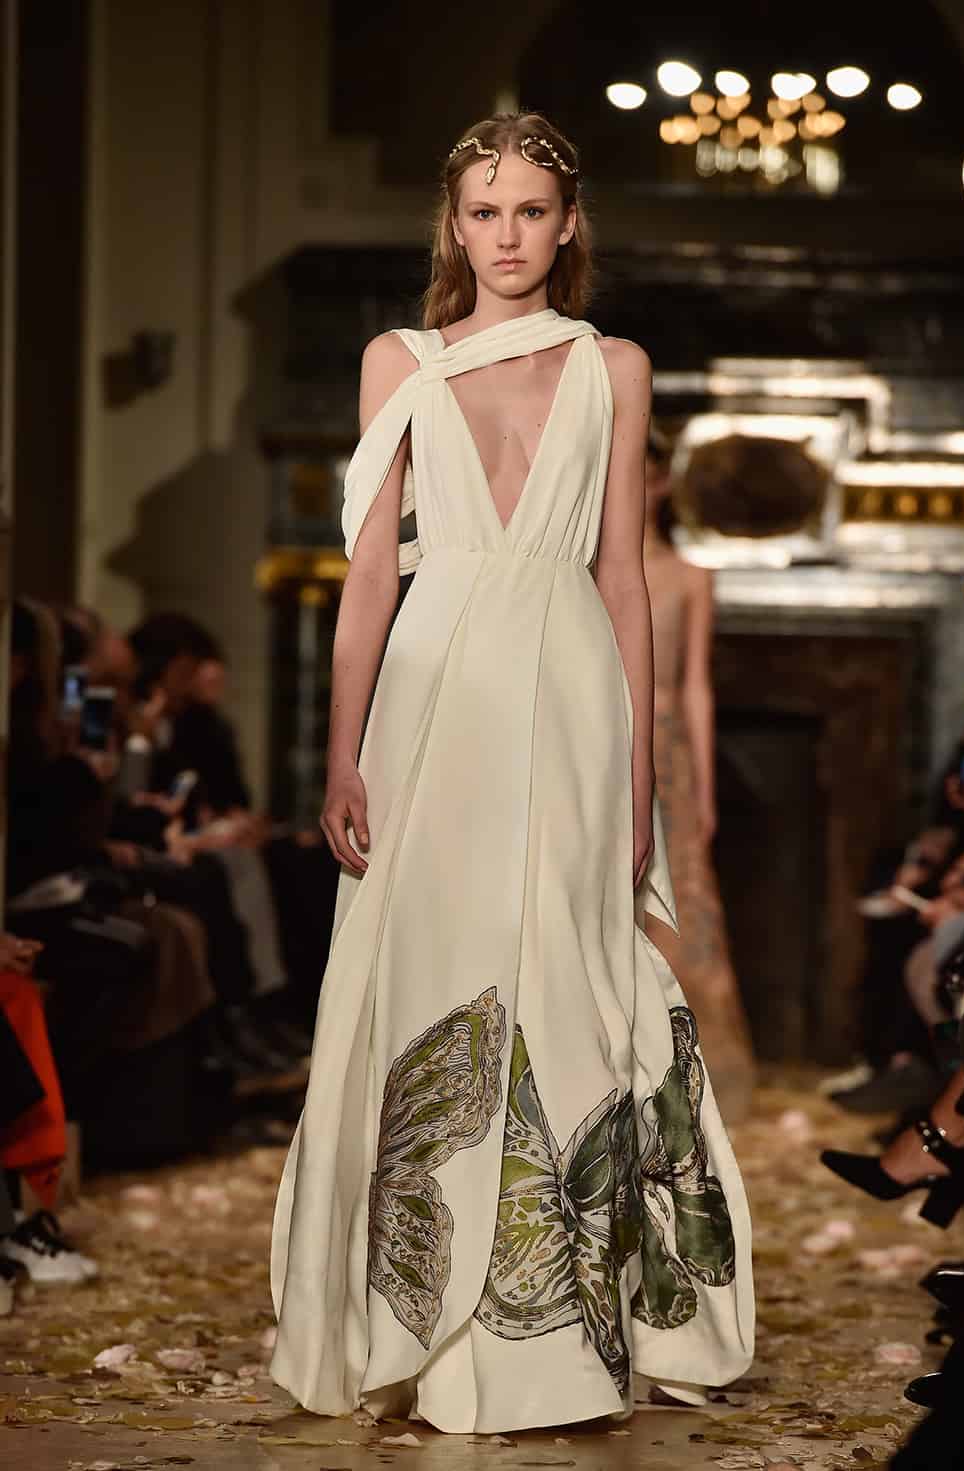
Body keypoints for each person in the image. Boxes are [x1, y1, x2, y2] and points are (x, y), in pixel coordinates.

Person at [270, 112, 754, 1433]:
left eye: (530, 210)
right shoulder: (398, 361)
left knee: (569, 974)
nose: (506, 235)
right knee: (429, 970)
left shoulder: (612, 366)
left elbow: (622, 578)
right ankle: (418, 1323)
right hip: (432, 696)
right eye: (483, 212)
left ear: (567, 222)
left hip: (568, 689)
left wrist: (641, 779)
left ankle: (562, 1334)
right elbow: (368, 578)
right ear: (452, 224)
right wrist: (339, 748)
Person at [640, 432, 755, 1121]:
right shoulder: (580, 567)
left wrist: (704, 788)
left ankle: (686, 1081)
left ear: (661, 483)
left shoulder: (690, 577)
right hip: (598, 744)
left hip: (668, 758)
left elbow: (694, 688)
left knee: (680, 905)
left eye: (641, 471)